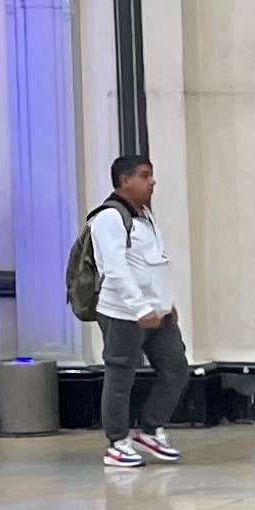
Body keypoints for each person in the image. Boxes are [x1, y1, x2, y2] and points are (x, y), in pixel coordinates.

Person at [87, 155, 190, 472]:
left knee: (176, 369)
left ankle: (150, 429)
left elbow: (151, 264)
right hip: (123, 314)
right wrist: (140, 308)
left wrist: (165, 303)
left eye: (152, 176)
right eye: (144, 176)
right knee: (120, 377)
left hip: (157, 314)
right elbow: (116, 270)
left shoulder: (144, 215)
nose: (152, 182)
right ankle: (117, 443)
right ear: (124, 180)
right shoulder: (109, 219)